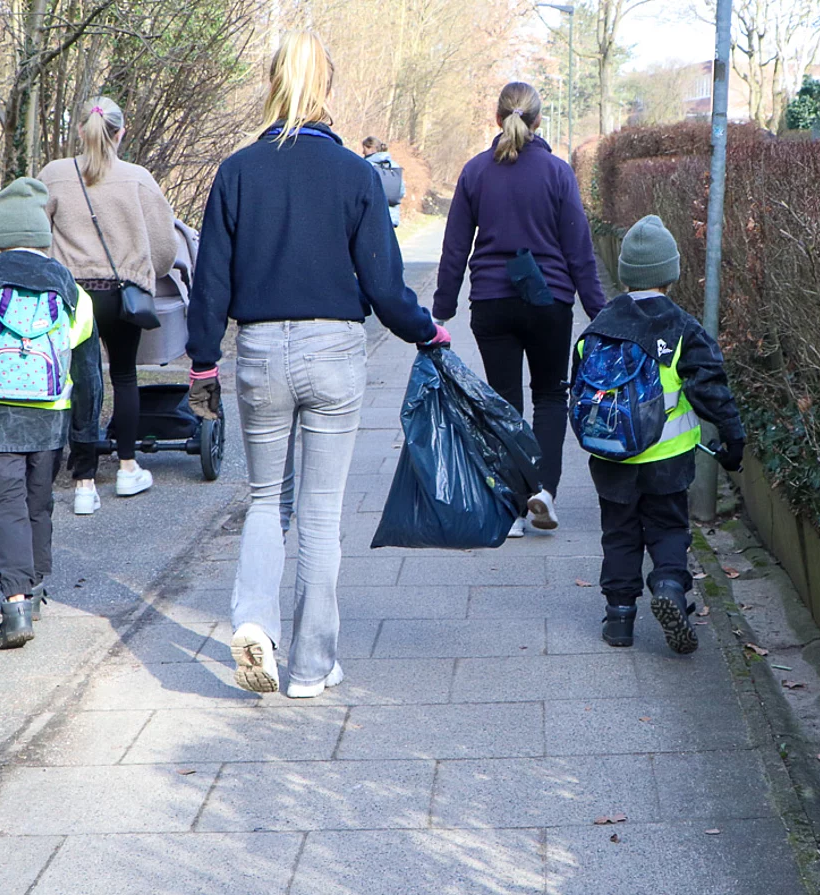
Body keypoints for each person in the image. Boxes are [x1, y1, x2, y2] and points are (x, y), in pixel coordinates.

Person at [185, 31, 450, 699]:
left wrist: (203, 363)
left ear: (271, 84)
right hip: (335, 352)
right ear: (326, 89)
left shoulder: (238, 171)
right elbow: (386, 287)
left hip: (262, 352)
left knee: (266, 500)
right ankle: (310, 666)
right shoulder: (357, 176)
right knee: (321, 513)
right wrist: (427, 333)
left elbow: (210, 281)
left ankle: (252, 621)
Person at [433, 81, 606, 539]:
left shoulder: (474, 172)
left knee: (504, 402)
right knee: (550, 397)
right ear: (538, 120)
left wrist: (441, 310)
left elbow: (454, 248)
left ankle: (510, 507)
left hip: (491, 302)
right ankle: (543, 494)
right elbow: (579, 251)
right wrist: (599, 311)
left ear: (497, 119)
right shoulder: (556, 172)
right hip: (549, 303)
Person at [0, 177, 102, 648]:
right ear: (43, 236)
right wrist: (87, 433)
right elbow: (89, 370)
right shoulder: (72, 293)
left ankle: (14, 604)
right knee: (37, 502)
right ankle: (36, 586)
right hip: (51, 416)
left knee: (5, 501)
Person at [575, 215, 746, 653]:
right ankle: (669, 586)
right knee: (669, 527)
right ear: (670, 273)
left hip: (611, 457)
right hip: (668, 457)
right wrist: (733, 440)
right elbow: (711, 388)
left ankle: (619, 620)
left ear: (626, 274)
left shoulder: (598, 327)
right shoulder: (682, 327)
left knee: (619, 532)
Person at [38, 97, 178, 514]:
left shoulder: (54, 175)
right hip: (122, 294)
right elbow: (166, 247)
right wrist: (145, 271)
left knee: (80, 380)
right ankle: (128, 468)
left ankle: (83, 483)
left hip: (72, 296)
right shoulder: (139, 179)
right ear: (120, 133)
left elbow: (36, 233)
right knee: (124, 375)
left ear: (80, 130)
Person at [361, 136, 405, 227]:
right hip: (392, 218)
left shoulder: (366, 166)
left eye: (364, 149)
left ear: (372, 149)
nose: (363, 152)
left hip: (371, 217)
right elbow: (401, 192)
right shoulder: (394, 165)